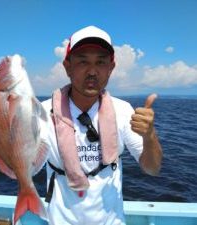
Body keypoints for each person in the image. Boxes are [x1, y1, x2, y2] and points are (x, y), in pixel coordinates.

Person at [40, 25, 162, 225]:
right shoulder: (43, 114)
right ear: (68, 67)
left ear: (111, 68)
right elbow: (24, 168)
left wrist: (149, 136)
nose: (92, 71)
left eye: (101, 62)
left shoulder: (123, 111)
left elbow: (152, 169)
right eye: (82, 61)